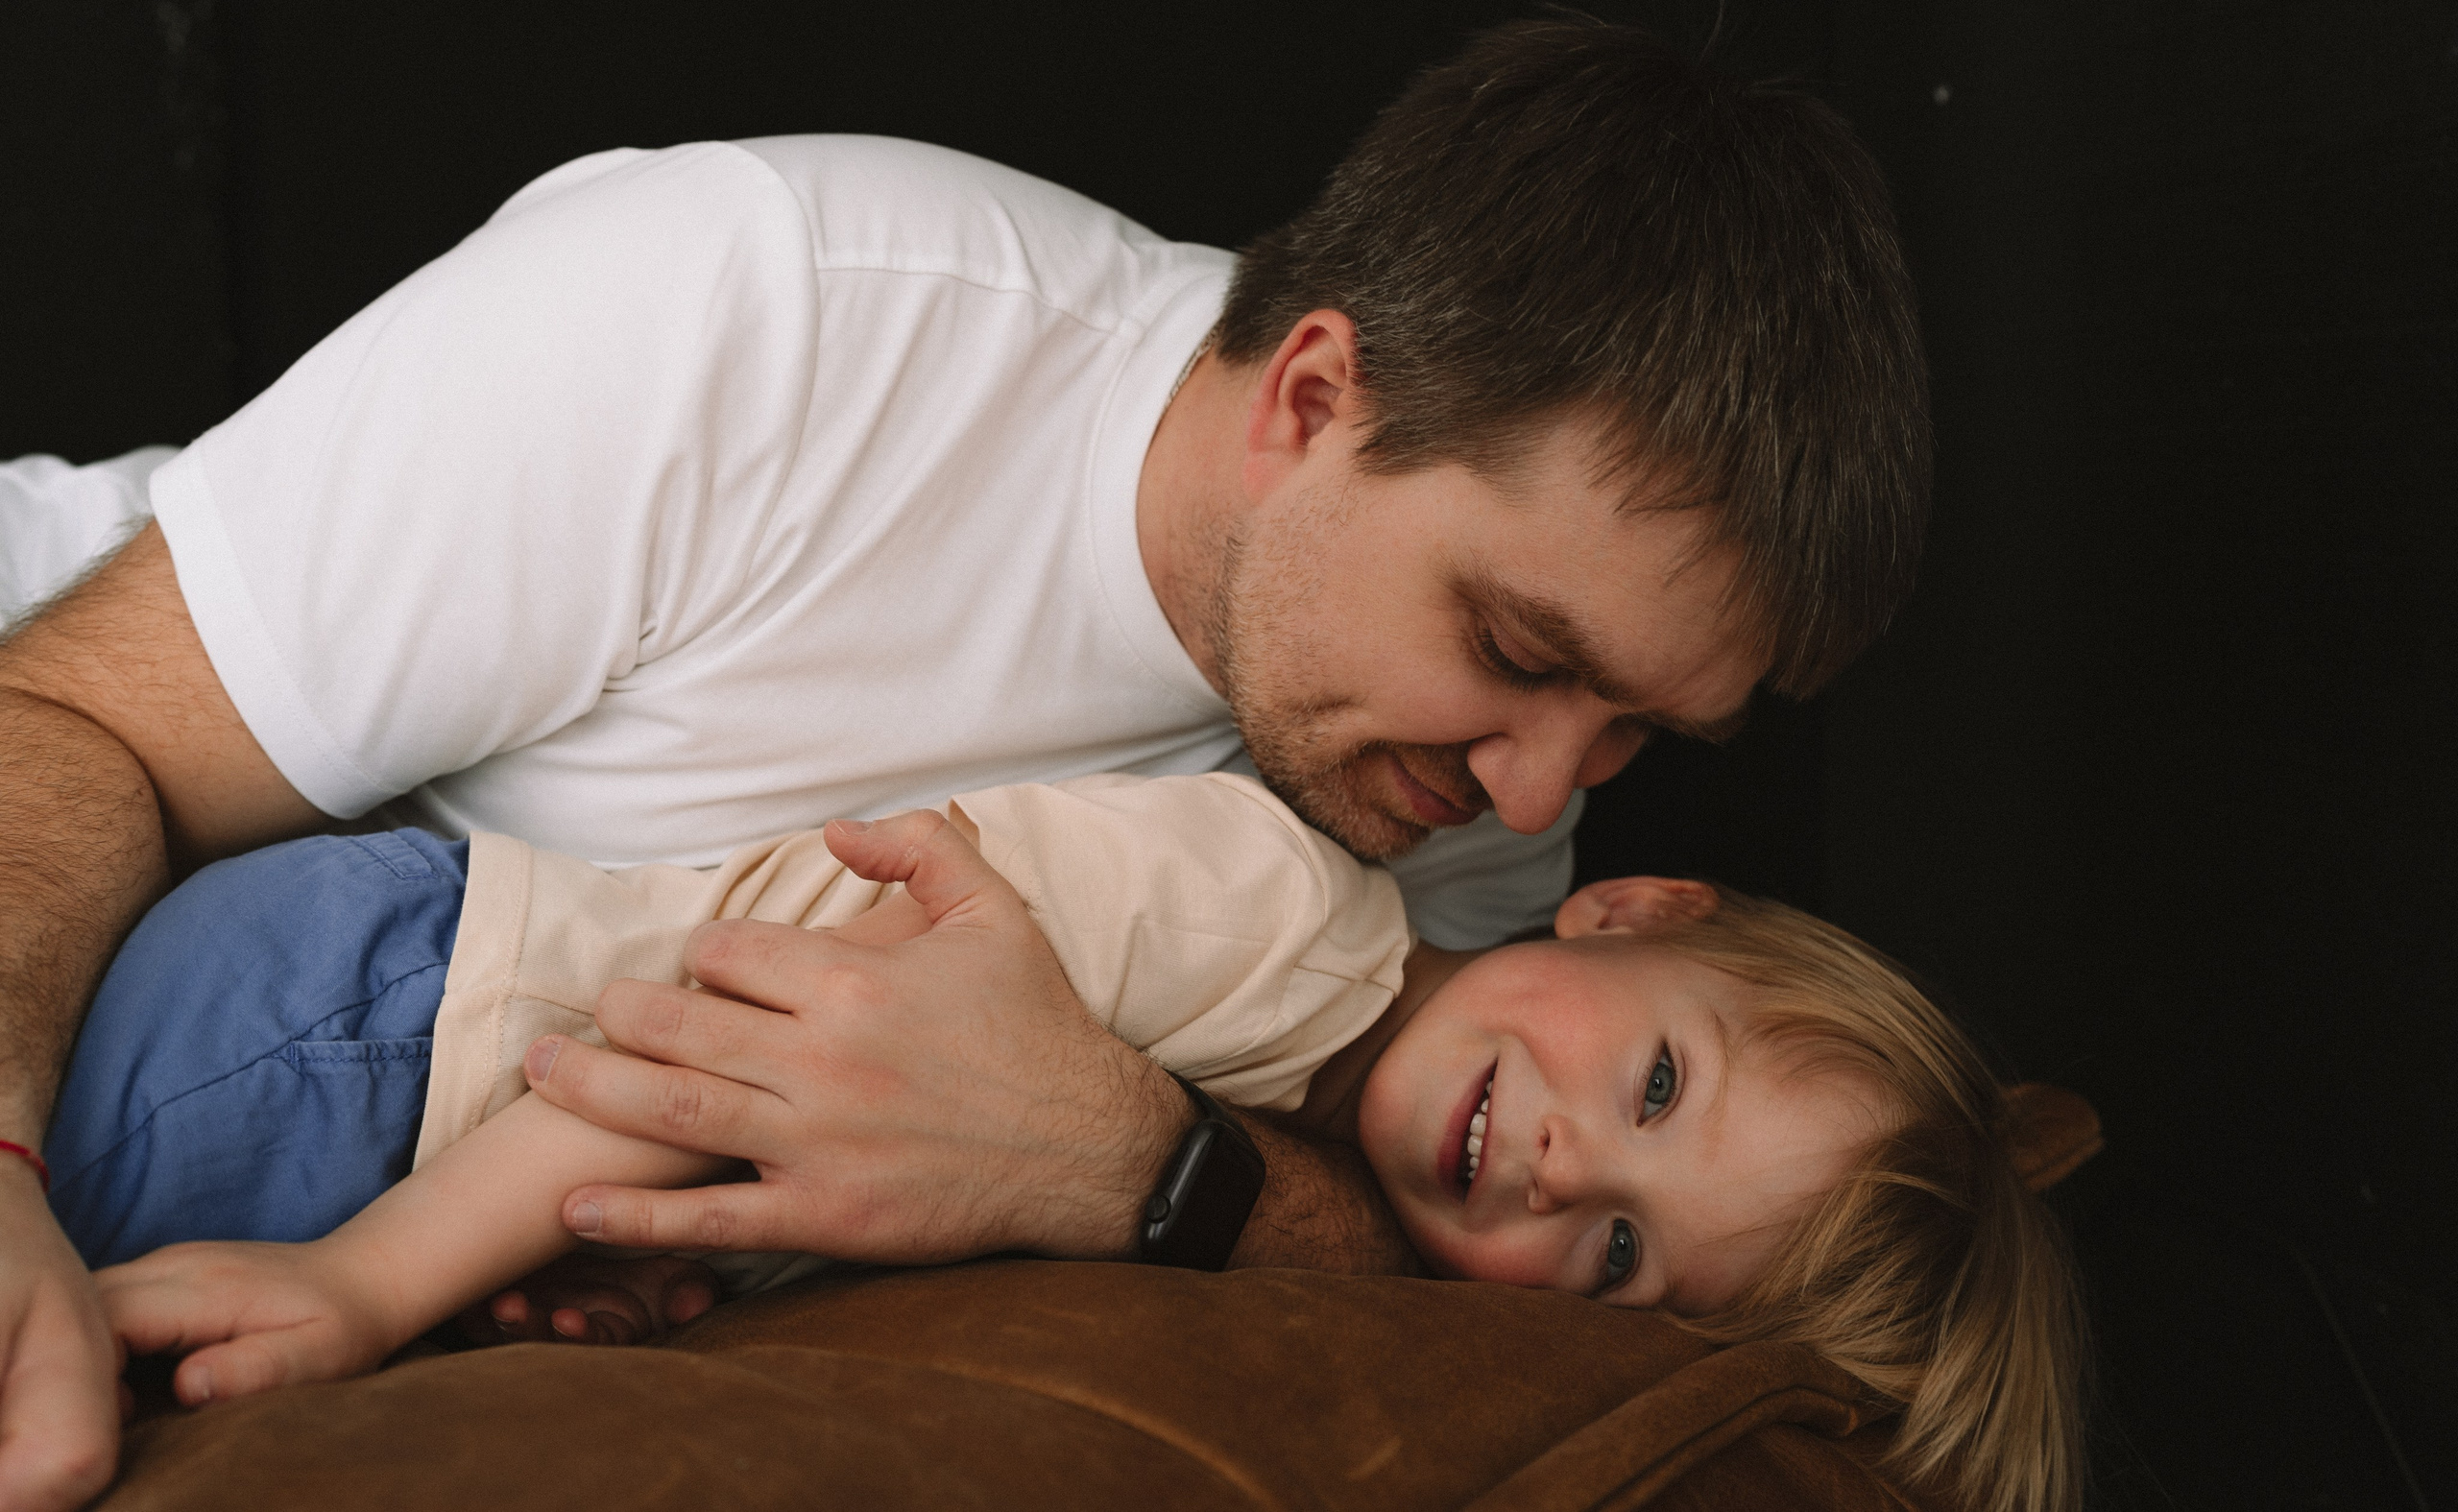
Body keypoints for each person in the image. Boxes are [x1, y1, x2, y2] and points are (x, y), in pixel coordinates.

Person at [0, 15, 1929, 1511]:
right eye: (1514, 652)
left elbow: (1341, 1218)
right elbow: (74, 721)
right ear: (1313, 398)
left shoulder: (1484, 849)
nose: (1532, 795)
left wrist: (1135, 1164)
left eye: (1628, 733)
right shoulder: (768, 309)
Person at [61, 779, 2078, 1512]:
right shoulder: (1269, 919)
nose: (1561, 1168)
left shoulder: (1268, 1221)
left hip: (412, 1103)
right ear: (1630, 909)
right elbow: (742, 1020)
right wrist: (371, 1276)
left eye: (1622, 1254)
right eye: (1650, 1083)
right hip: (360, 1034)